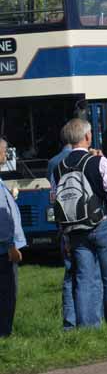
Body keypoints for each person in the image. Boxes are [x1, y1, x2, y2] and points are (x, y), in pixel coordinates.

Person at [51, 118, 107, 327]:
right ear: (87, 136)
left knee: (83, 280)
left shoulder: (59, 167)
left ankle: (87, 327)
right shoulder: (98, 161)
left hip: (75, 230)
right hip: (102, 224)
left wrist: (65, 232)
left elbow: (56, 199)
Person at [47, 128, 76, 329]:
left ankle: (69, 320)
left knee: (69, 270)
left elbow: (53, 194)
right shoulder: (85, 158)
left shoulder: (53, 162)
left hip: (64, 222)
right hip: (85, 221)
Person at [0, 137, 26, 337]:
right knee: (7, 295)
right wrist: (10, 245)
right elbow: (2, 218)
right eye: (3, 151)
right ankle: (4, 335)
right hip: (4, 250)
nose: (5, 155)